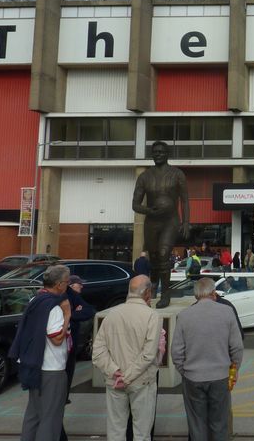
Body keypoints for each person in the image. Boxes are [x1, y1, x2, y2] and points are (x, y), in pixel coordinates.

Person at [172, 277, 243, 441]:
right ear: (213, 292)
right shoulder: (227, 312)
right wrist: (234, 368)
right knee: (220, 423)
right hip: (220, 376)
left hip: (192, 377)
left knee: (197, 424)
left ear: (196, 295)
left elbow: (176, 352)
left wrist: (186, 371)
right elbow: (237, 347)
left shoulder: (184, 315)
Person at [92, 275, 162, 441]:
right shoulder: (152, 316)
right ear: (147, 293)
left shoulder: (112, 315)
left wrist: (115, 371)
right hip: (141, 381)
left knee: (115, 431)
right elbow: (149, 354)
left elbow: (98, 351)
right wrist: (127, 376)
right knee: (142, 433)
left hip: (114, 381)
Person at [8, 265, 71, 441]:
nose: (68, 285)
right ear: (59, 284)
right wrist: (67, 315)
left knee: (33, 415)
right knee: (50, 418)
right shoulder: (55, 307)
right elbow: (56, 339)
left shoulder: (34, 301)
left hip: (33, 365)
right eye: (67, 282)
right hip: (52, 369)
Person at [132, 140, 190, 308]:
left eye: (161, 152)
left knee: (164, 254)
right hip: (152, 220)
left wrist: (186, 221)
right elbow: (135, 204)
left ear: (167, 154)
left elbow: (185, 200)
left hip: (170, 220)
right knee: (155, 257)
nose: (158, 154)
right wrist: (150, 211)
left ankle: (166, 294)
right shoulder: (144, 176)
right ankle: (154, 283)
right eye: (155, 152)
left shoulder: (177, 174)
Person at [64, 275, 95, 401]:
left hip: (71, 345)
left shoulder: (74, 296)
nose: (82, 286)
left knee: (68, 374)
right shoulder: (61, 296)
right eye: (79, 283)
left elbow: (89, 310)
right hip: (60, 345)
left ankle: (64, 397)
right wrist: (71, 313)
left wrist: (70, 314)